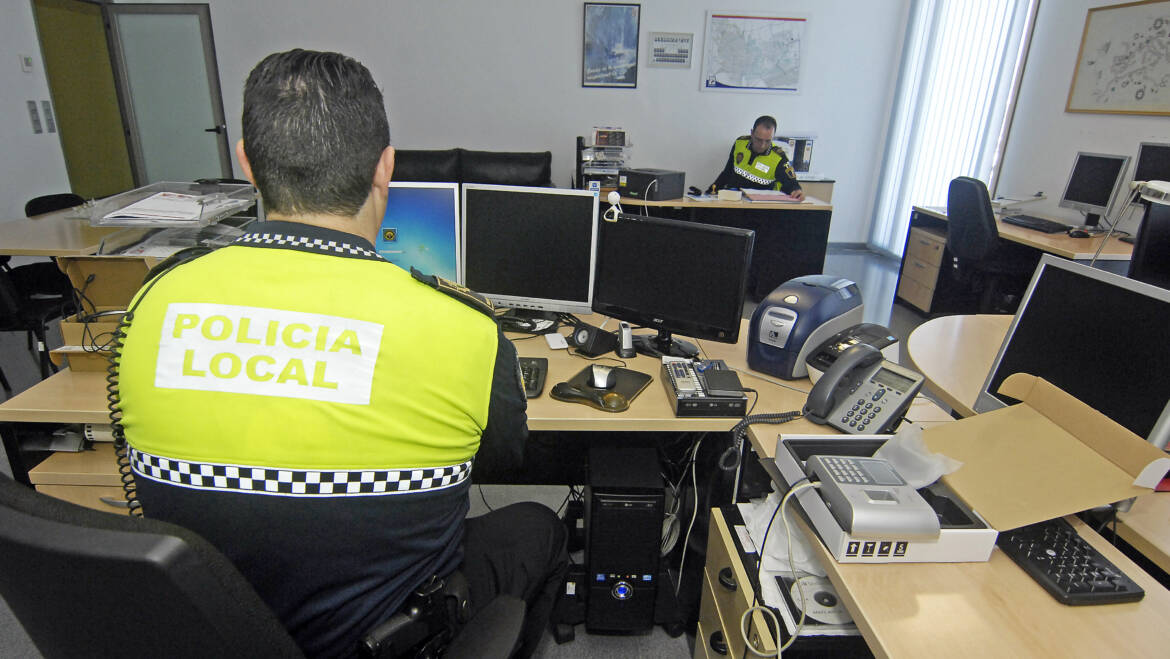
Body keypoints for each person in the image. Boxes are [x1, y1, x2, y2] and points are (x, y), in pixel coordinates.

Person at [112, 49, 566, 659]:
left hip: (208, 627)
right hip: (384, 641)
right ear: (387, 168)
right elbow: (503, 460)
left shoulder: (154, 298)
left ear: (246, 162)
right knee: (537, 526)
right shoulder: (464, 326)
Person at [709, 115, 806, 201]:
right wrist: (709, 192)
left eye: (768, 141)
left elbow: (791, 183)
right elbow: (728, 172)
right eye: (758, 140)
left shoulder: (779, 158)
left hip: (760, 208)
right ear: (752, 133)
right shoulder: (740, 143)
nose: (762, 145)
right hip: (733, 201)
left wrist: (796, 190)